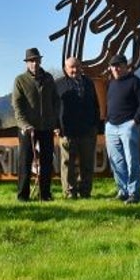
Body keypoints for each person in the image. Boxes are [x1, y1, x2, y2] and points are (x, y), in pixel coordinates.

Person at [11, 47, 58, 202]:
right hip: (27, 129)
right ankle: (23, 196)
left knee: (46, 162)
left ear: (40, 61)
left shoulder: (49, 78)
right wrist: (24, 125)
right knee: (25, 162)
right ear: (27, 63)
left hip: (46, 127)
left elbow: (56, 101)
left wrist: (54, 121)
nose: (34, 63)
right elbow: (17, 106)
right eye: (31, 61)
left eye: (37, 60)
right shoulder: (20, 80)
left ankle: (45, 194)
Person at [104, 53, 140, 203]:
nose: (116, 68)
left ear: (125, 66)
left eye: (118, 65)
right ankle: (122, 190)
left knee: (131, 160)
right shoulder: (111, 84)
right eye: (113, 66)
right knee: (116, 161)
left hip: (128, 126)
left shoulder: (135, 82)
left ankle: (134, 193)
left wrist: (135, 122)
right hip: (111, 127)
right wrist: (107, 122)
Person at [56, 56, 100, 199]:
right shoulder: (59, 85)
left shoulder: (88, 83)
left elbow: (95, 105)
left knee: (87, 163)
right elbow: (53, 107)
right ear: (65, 69)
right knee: (67, 164)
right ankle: (69, 192)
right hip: (67, 131)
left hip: (87, 130)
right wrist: (56, 126)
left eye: (77, 67)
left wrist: (95, 125)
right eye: (71, 67)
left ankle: (85, 192)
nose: (75, 70)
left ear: (81, 67)